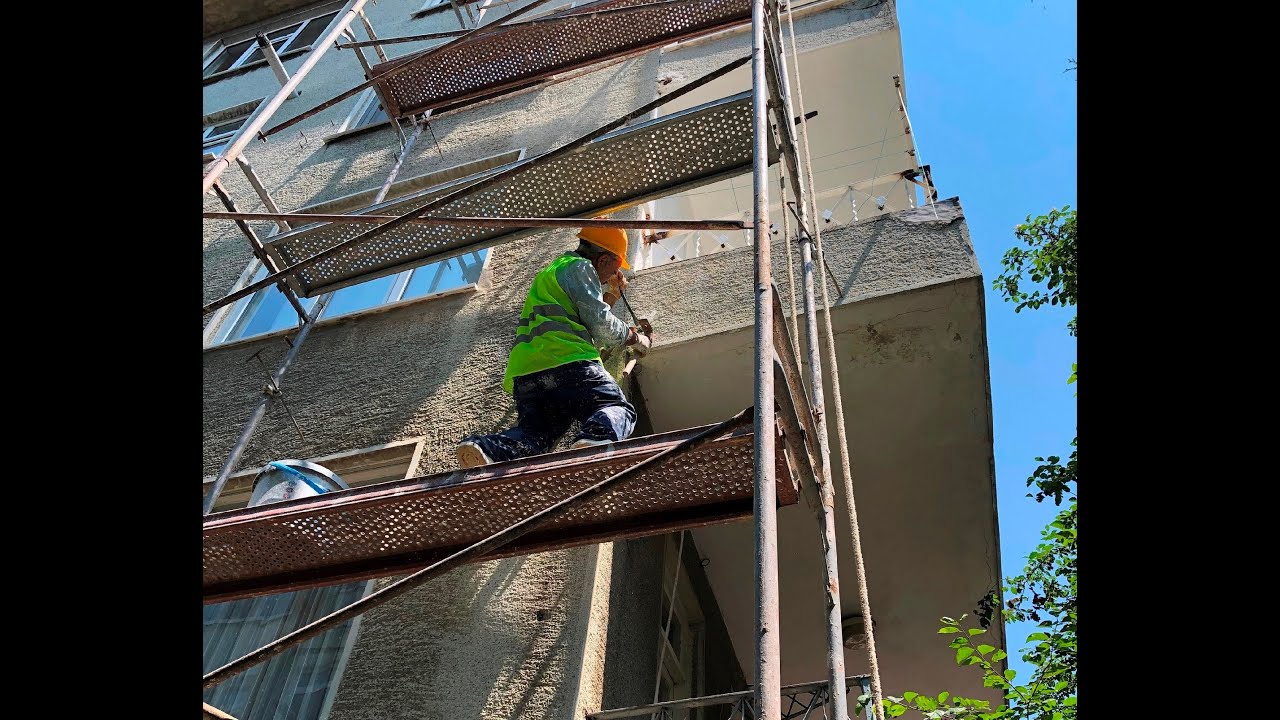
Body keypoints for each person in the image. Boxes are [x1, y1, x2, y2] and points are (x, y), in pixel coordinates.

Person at [456, 227, 653, 468]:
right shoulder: (581, 267)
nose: (607, 278)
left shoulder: (553, 271)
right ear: (602, 259)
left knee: (536, 437)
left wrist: (611, 294)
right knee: (615, 408)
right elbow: (601, 326)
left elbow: (584, 315)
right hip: (567, 361)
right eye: (611, 270)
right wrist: (634, 338)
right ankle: (596, 441)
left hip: (527, 373)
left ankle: (487, 449)